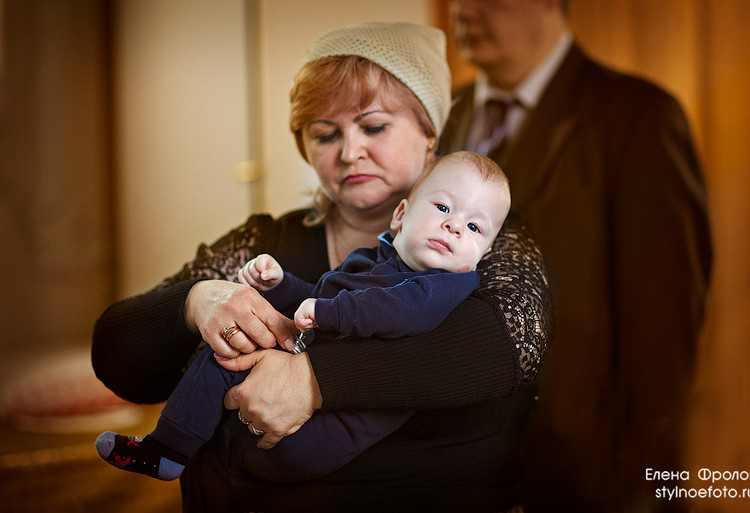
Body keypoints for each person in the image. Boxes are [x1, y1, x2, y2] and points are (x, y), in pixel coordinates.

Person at [92, 22, 550, 513]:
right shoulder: (264, 243)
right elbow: (118, 357)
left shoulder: (482, 238)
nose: (349, 152)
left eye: (374, 127)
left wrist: (316, 380)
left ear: (428, 135)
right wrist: (196, 301)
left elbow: (503, 350)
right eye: (325, 134)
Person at [438, 1, 713, 512]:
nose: (463, 10)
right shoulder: (442, 116)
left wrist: (638, 484)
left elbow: (663, 329)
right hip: (454, 468)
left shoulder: (638, 116)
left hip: (584, 472)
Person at [94, 151, 511, 483]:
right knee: (226, 348)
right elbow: (317, 298)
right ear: (401, 215)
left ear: (485, 254)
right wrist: (279, 286)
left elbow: (399, 311)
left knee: (229, 368)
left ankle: (173, 449)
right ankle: (170, 450)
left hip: (325, 435)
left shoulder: (446, 285)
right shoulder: (375, 259)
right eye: (443, 207)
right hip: (286, 427)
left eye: (475, 228)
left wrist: (327, 311)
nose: (455, 227)